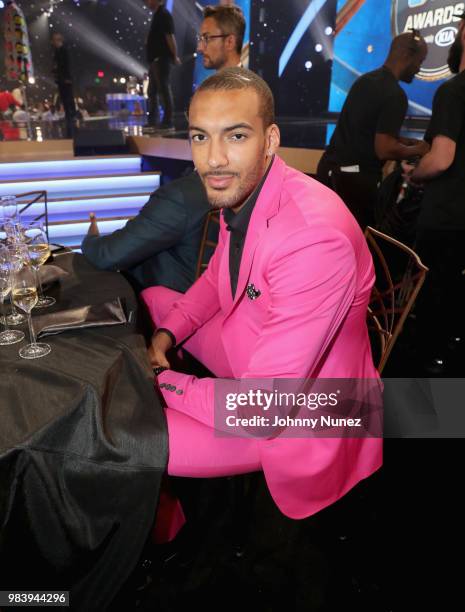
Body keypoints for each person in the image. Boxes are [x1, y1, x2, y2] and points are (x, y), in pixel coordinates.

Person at [142, 68, 382, 520]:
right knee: (155, 298)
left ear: (270, 140)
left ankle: (164, 538)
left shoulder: (314, 239)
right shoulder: (247, 190)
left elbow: (263, 410)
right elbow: (217, 279)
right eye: (199, 137)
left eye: (235, 136)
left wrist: (163, 381)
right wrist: (166, 337)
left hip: (307, 412)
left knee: (128, 436)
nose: (212, 160)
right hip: (256, 352)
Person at [82, 13, 249, 294]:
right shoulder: (236, 89)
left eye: (207, 38)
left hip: (173, 302)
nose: (199, 46)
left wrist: (91, 236)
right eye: (199, 135)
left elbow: (108, 254)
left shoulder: (185, 197)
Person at [317, 31, 430, 229]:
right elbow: (384, 148)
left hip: (329, 171)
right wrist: (419, 150)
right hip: (354, 182)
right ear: (406, 56)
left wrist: (405, 142)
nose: (419, 69)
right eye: (419, 61)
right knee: (356, 245)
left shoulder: (365, 81)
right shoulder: (395, 95)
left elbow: (367, 132)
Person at [404, 11, 465, 373]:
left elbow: (441, 159)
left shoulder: (454, 91)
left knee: (429, 330)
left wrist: (415, 176)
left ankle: (424, 424)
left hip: (446, 224)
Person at [81, 172, 210, 294]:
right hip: (211, 296)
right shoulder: (225, 190)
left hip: (168, 303)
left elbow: (108, 255)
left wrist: (90, 238)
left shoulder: (181, 196)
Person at [145, 0, 180, 132]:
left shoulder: (164, 14)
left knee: (163, 90)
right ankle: (153, 122)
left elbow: (170, 37)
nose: (147, 2)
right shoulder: (158, 15)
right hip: (155, 59)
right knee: (152, 92)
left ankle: (168, 122)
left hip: (161, 59)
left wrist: (175, 55)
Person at [197, 4, 245, 70]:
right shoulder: (215, 80)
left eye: (207, 38)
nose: (199, 48)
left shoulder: (247, 80)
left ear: (230, 42)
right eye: (200, 39)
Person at [51, 32, 76, 137]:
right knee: (64, 98)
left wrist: (68, 78)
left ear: (59, 40)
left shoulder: (64, 51)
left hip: (65, 79)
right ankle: (69, 116)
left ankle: (72, 116)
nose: (53, 42)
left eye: (55, 40)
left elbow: (67, 65)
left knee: (68, 98)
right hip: (61, 79)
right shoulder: (57, 52)